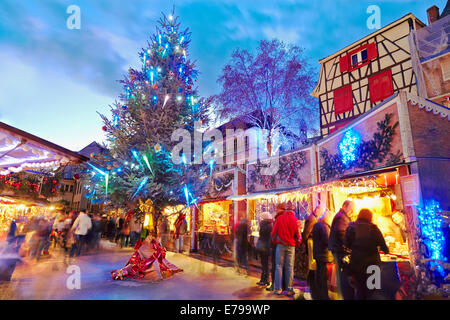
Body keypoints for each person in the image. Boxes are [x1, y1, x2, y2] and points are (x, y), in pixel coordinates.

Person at [345, 208, 389, 300]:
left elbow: (346, 244)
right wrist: (385, 250)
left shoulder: (351, 228)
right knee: (373, 291)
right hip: (373, 265)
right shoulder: (374, 229)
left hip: (357, 265)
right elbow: (384, 246)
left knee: (360, 290)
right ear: (370, 217)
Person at [111, 236, 183, 281]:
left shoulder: (147, 249)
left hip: (141, 266)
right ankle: (119, 274)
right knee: (131, 269)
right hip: (143, 267)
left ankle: (118, 274)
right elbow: (161, 263)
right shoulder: (154, 252)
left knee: (129, 269)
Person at [271, 202, 301, 296]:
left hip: (280, 245)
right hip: (291, 245)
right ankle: (289, 289)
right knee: (289, 267)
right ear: (293, 211)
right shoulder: (296, 220)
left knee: (278, 266)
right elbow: (299, 236)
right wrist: (296, 243)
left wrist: (276, 241)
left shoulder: (279, 218)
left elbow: (273, 233)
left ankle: (278, 289)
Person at [328, 199, 355, 300]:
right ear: (345, 206)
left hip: (338, 248)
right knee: (341, 274)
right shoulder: (341, 217)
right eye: (350, 208)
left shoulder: (342, 216)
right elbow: (341, 233)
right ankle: (341, 296)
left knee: (340, 273)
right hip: (339, 249)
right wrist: (349, 243)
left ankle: (341, 295)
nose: (351, 211)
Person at [312, 208, 334, 300]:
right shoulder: (324, 227)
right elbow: (327, 240)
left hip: (318, 254)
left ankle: (318, 295)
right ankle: (324, 296)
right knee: (323, 277)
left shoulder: (317, 224)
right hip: (324, 255)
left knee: (320, 276)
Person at [302, 206, 323, 299]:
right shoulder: (312, 219)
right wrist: (305, 243)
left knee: (311, 263)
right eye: (321, 212)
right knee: (311, 263)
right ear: (316, 210)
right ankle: (311, 283)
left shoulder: (313, 218)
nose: (321, 214)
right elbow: (307, 232)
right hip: (310, 242)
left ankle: (310, 283)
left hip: (310, 241)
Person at [256, 212, 273, 286]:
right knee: (265, 264)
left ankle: (264, 280)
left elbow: (261, 235)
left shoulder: (264, 225)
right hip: (267, 246)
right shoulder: (270, 225)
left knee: (264, 264)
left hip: (263, 246)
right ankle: (265, 279)